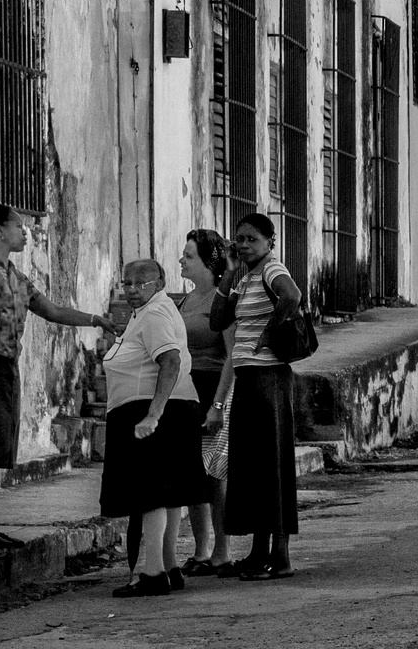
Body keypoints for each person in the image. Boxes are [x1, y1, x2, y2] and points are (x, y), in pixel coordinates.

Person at [0, 204, 116, 550]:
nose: (25, 232)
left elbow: (53, 311)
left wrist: (96, 319)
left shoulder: (17, 276)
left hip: (5, 366)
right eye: (18, 226)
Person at [100, 258, 207, 597]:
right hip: (161, 408)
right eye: (126, 284)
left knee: (150, 494)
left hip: (153, 410)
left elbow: (170, 360)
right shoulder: (147, 311)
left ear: (158, 282)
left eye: (138, 284)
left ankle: (153, 572)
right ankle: (168, 565)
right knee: (166, 492)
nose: (130, 290)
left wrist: (153, 415)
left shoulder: (155, 313)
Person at [208, 212, 303, 580]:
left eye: (251, 239)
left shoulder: (271, 270)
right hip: (250, 379)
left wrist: (267, 334)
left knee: (268, 466)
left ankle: (278, 557)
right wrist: (230, 271)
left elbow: (291, 296)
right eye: (239, 239)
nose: (244, 245)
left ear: (270, 242)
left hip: (268, 379)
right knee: (254, 466)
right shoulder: (246, 276)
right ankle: (262, 554)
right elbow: (218, 320)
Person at [174, 229, 233, 575]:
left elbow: (232, 357)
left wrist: (219, 406)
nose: (182, 259)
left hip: (214, 388)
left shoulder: (222, 301)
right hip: (188, 389)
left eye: (190, 255)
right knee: (193, 472)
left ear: (209, 262)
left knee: (215, 473)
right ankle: (201, 550)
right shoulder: (186, 300)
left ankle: (222, 551)